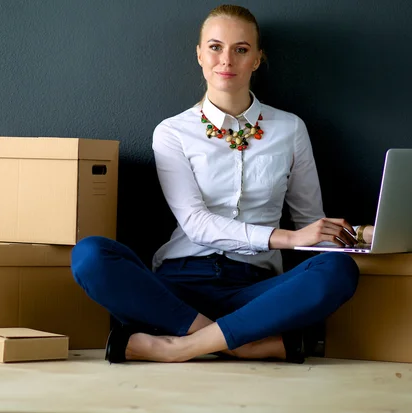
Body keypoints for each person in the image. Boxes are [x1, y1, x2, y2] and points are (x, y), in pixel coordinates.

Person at [71, 4, 374, 364]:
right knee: (90, 255)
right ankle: (242, 343)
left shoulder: (290, 128)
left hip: (255, 290)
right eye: (215, 47)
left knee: (338, 270)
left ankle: (180, 347)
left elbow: (313, 223)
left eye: (240, 49)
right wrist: (289, 238)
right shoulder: (172, 132)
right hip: (178, 288)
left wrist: (362, 234)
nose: (226, 60)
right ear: (199, 54)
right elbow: (196, 223)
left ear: (257, 60)